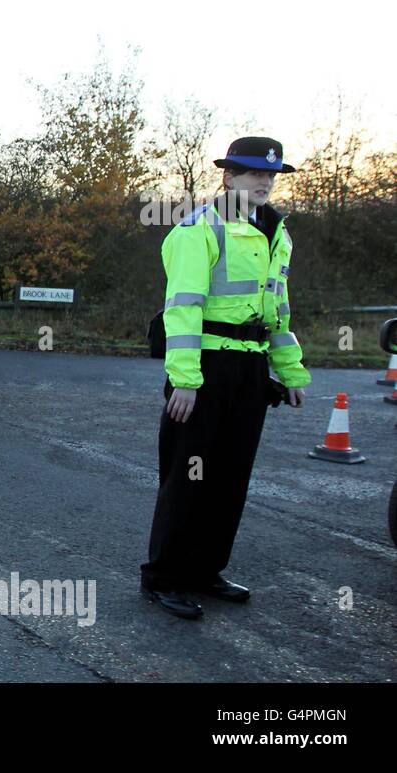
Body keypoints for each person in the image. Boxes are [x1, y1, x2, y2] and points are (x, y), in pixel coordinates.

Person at [140, 136, 311, 620]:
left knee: (230, 477)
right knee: (187, 476)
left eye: (271, 174)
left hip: (251, 369)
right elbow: (183, 310)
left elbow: (276, 312)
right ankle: (162, 577)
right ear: (228, 177)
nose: (265, 181)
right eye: (254, 172)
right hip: (206, 369)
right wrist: (186, 380)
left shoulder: (277, 233)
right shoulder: (199, 230)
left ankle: (204, 571)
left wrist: (289, 370)